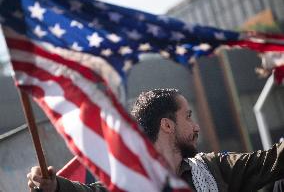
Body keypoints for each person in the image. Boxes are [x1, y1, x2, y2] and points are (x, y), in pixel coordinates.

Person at [27, 88, 284, 192]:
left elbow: (271, 161)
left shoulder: (214, 168)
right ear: (168, 124)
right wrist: (53, 186)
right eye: (188, 117)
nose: (196, 127)